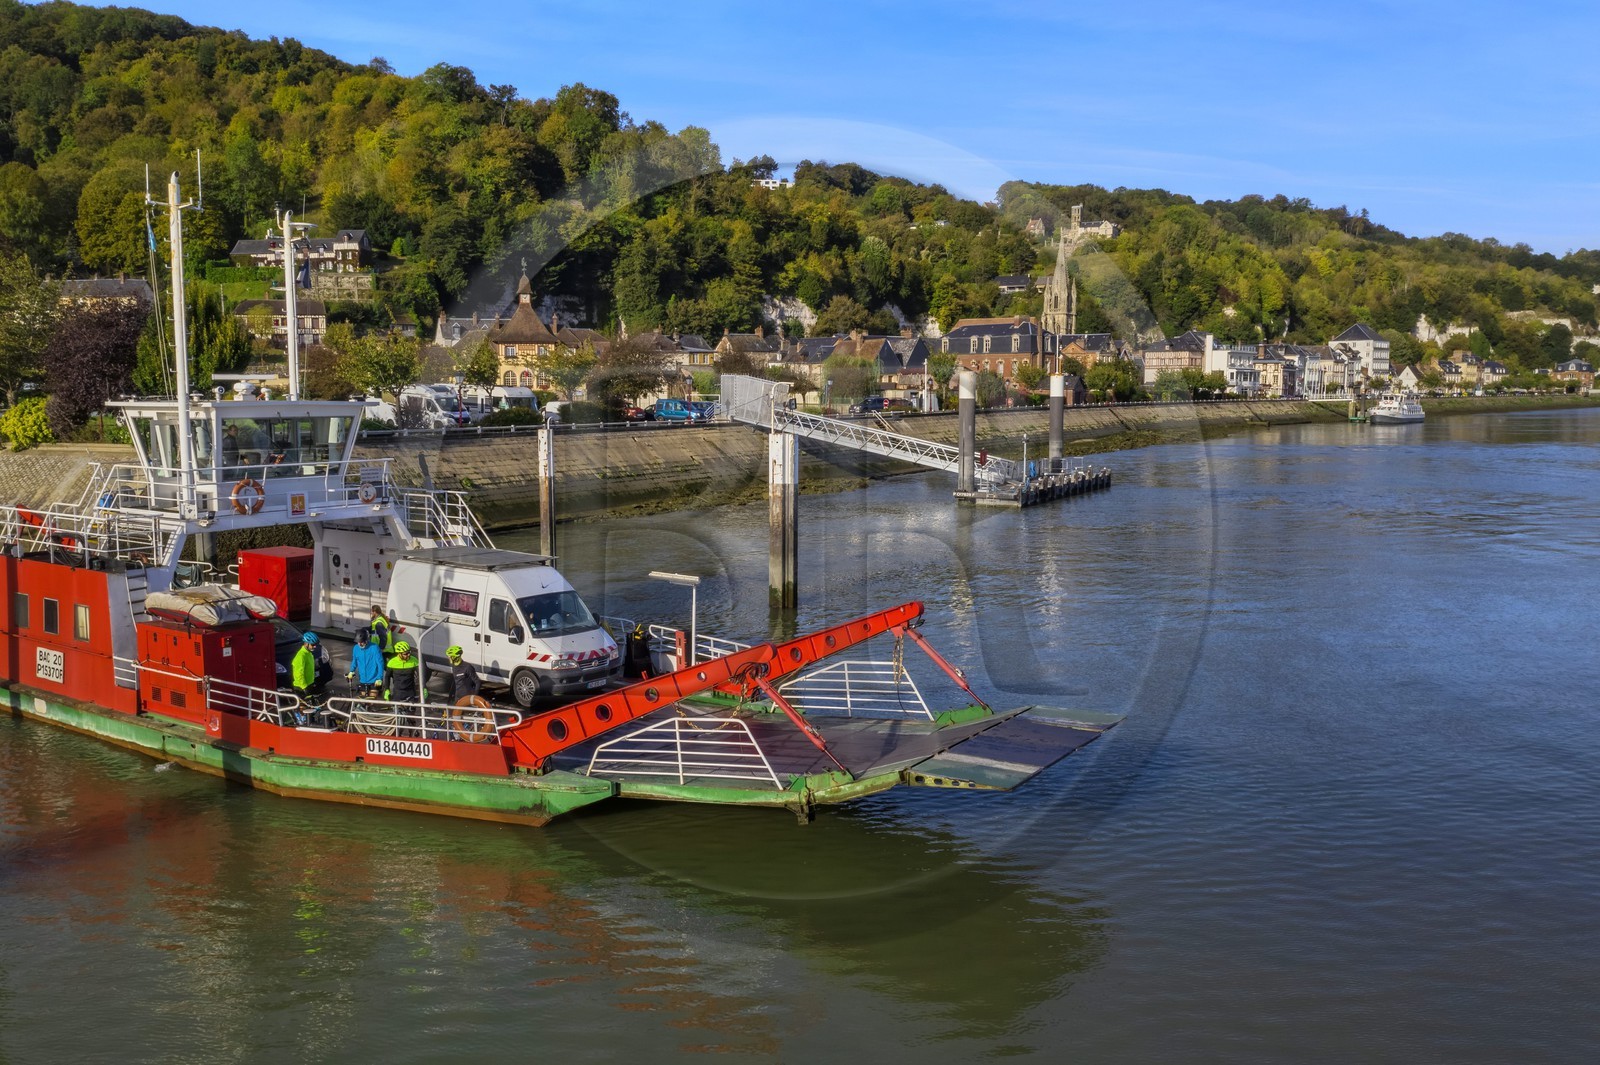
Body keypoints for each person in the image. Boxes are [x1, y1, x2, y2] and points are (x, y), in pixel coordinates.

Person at [384, 641, 420, 734]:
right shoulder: (392, 662)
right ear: (399, 654)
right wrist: (386, 690)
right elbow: (387, 677)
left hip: (410, 692)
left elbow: (421, 676)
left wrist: (423, 688)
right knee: (398, 718)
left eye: (409, 653)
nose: (408, 655)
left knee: (411, 717)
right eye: (405, 654)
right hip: (398, 693)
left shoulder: (414, 660)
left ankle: (411, 735)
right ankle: (398, 735)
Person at [349, 627, 385, 695]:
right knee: (364, 701)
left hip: (374, 680)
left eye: (362, 642)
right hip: (363, 680)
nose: (360, 644)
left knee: (371, 701)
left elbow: (380, 664)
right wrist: (351, 671)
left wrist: (379, 678)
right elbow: (355, 661)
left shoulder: (374, 648)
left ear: (366, 640)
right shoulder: (356, 648)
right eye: (358, 642)